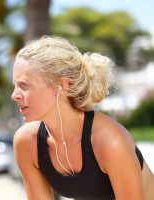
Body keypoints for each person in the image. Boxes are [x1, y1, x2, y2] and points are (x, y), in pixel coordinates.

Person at [11, 36, 154, 200]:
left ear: (62, 85)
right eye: (15, 85)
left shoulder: (109, 140)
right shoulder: (27, 143)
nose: (14, 95)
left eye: (24, 85)